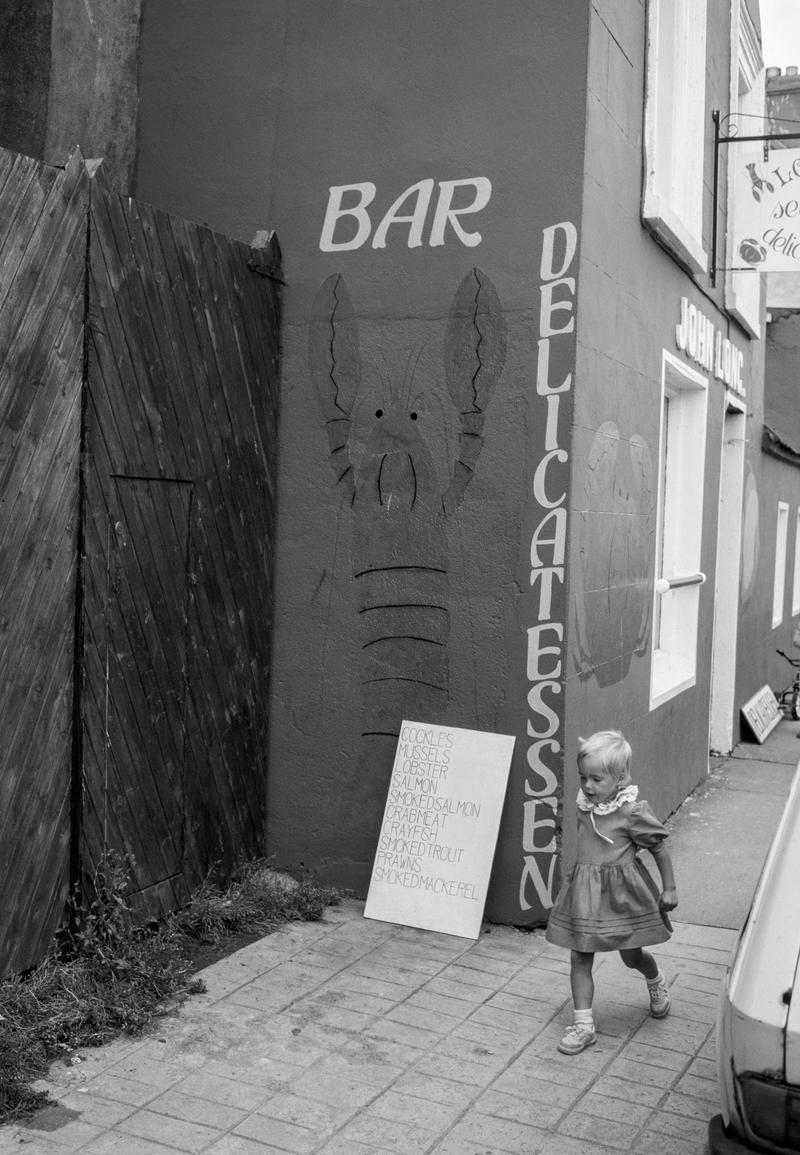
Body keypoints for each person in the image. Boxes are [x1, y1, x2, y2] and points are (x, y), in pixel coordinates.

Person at [545, 729, 678, 1055]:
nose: (587, 786)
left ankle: (656, 980)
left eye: (596, 779)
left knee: (631, 955)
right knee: (579, 955)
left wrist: (669, 888)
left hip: (622, 896)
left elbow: (658, 849)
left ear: (619, 779)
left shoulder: (631, 811)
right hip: (587, 894)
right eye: (583, 777)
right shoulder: (584, 804)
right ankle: (584, 1025)